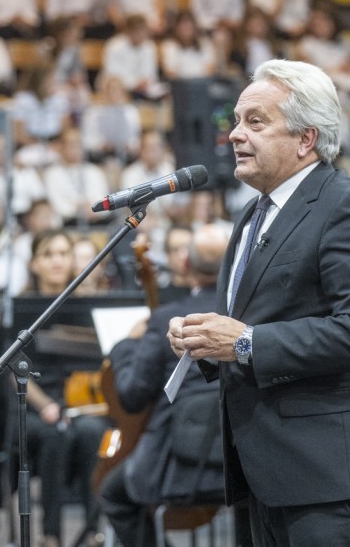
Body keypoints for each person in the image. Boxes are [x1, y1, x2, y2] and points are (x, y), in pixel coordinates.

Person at [167, 59, 350, 545]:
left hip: (335, 476)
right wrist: (204, 340)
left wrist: (243, 342)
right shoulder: (251, 215)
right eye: (236, 122)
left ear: (306, 138)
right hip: (269, 471)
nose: (235, 135)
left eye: (255, 122)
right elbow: (254, 325)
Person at [101, 224, 231, 546]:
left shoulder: (167, 320)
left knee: (113, 495)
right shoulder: (245, 318)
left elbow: (131, 397)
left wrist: (125, 345)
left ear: (186, 265)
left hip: (174, 467)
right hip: (237, 465)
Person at [20, 229, 109, 547]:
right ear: (34, 263)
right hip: (35, 406)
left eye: (63, 254)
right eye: (48, 254)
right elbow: (12, 370)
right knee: (56, 433)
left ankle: (94, 531)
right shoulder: (23, 307)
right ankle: (51, 534)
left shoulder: (86, 306)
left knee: (91, 431)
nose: (57, 261)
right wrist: (45, 404)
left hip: (82, 403)